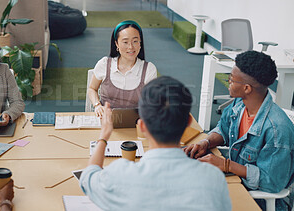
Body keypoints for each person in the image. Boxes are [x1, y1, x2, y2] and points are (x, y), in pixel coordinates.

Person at [80, 76, 231, 210]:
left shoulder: (119, 176)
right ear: (188, 123)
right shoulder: (213, 179)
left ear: (142, 126)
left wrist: (104, 135)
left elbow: (88, 177)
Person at [184, 51, 294, 211]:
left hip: (259, 199)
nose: (228, 82)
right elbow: (223, 129)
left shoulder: (277, 130)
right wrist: (206, 142)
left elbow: (271, 183)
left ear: (247, 88)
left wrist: (227, 165)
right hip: (234, 180)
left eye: (231, 79)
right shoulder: (239, 105)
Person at [87, 20, 158, 117]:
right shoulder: (104, 64)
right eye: (125, 42)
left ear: (140, 43)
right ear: (116, 44)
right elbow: (92, 89)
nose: (130, 47)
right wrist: (97, 105)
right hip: (106, 121)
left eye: (135, 41)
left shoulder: (149, 69)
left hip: (136, 124)